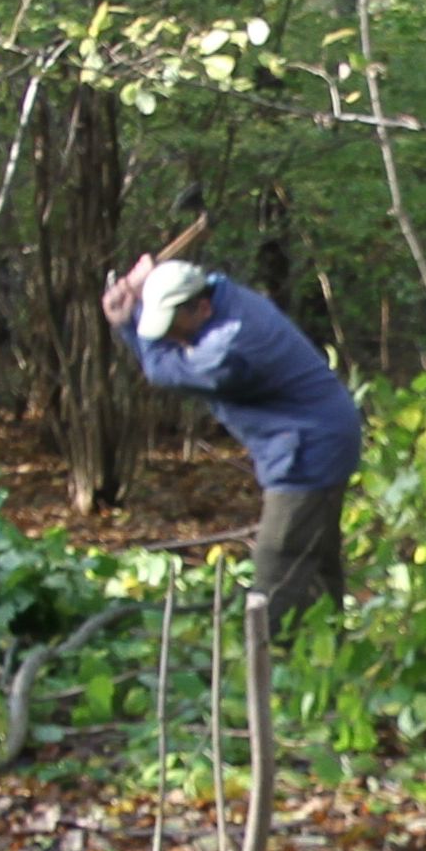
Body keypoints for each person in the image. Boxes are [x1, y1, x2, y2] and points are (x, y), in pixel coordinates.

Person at [102, 254, 362, 633]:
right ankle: (328, 666)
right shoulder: (218, 292)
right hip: (321, 433)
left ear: (202, 307)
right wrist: (148, 285)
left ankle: (273, 668)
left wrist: (128, 322)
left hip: (309, 449)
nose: (173, 338)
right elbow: (180, 298)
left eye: (175, 328)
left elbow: (161, 370)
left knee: (279, 565)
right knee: (317, 562)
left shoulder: (232, 347)